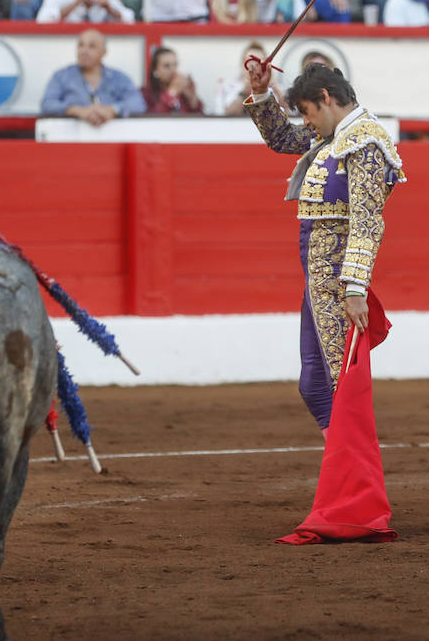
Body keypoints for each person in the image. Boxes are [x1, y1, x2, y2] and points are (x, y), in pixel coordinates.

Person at [242, 59, 405, 434]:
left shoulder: (365, 142)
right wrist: (263, 92)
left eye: (308, 112)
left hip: (336, 277)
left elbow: (366, 221)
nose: (307, 122)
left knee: (333, 383)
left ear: (326, 98)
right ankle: (344, 472)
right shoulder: (335, 136)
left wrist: (354, 289)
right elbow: (282, 138)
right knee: (317, 385)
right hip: (318, 276)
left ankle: (352, 475)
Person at [39, 27, 145, 121]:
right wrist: (76, 110)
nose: (84, 51)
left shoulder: (119, 78)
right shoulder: (61, 76)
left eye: (92, 46)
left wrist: (112, 110)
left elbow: (138, 104)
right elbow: (47, 104)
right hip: (70, 140)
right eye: (81, 45)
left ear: (104, 52)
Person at [217, 41, 281, 115]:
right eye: (250, 62)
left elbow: (288, 115)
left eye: (258, 63)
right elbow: (224, 115)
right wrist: (245, 92)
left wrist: (275, 91)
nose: (254, 68)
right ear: (242, 64)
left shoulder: (275, 86)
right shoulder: (227, 86)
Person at [142, 46, 204, 114]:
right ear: (155, 70)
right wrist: (171, 92)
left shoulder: (181, 93)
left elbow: (198, 119)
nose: (173, 70)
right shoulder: (146, 93)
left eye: (175, 65)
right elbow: (153, 119)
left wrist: (192, 98)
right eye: (166, 66)